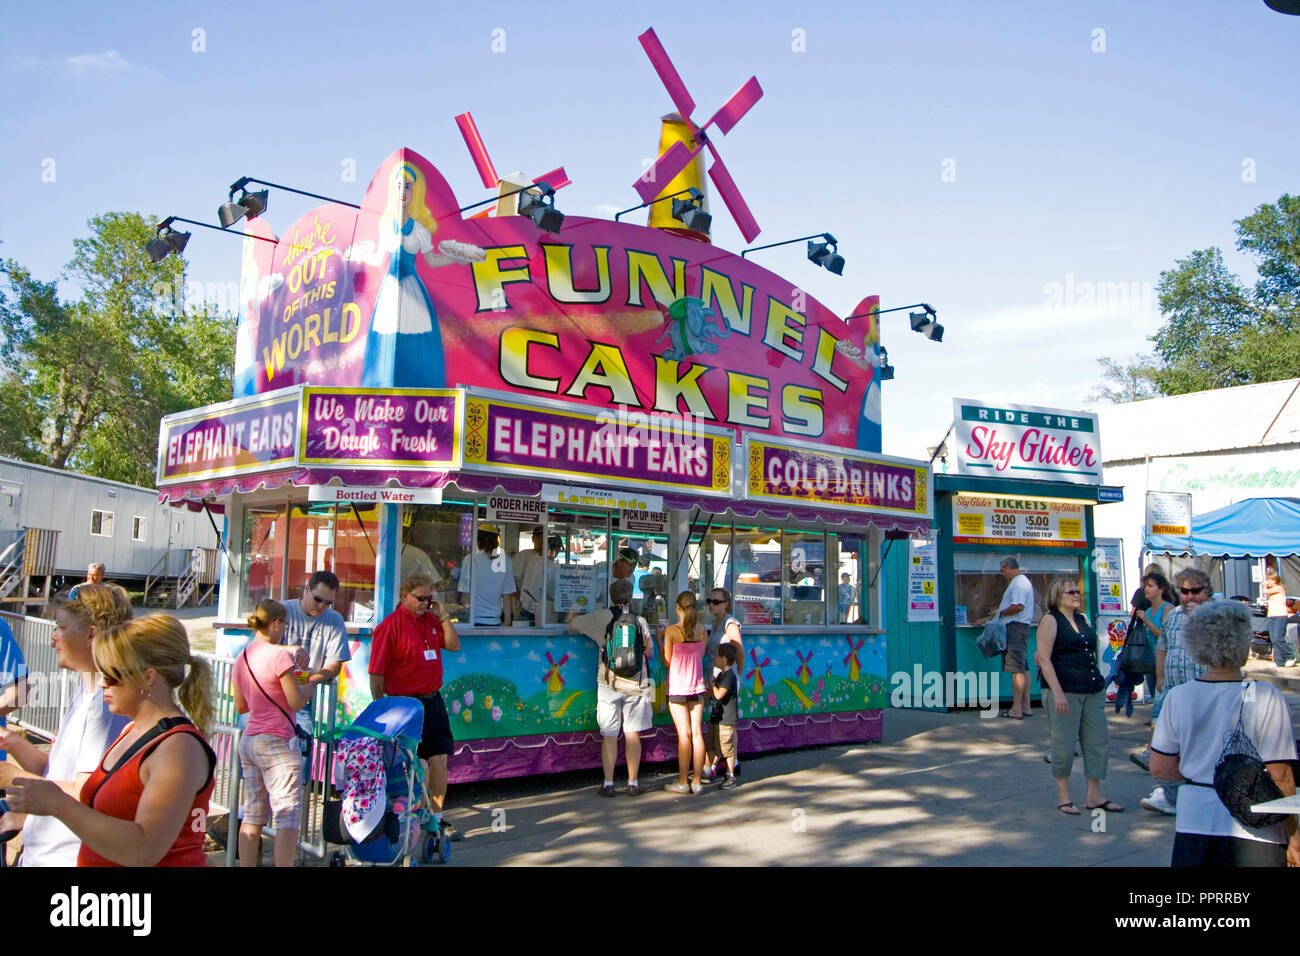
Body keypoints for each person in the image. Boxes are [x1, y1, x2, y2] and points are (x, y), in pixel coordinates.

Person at [4, 614, 217, 867]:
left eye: (112, 675)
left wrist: (57, 803)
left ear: (148, 677)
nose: (103, 683)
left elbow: (143, 849)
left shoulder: (178, 748)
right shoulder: (131, 731)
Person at [1150, 600, 1300, 867]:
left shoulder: (1180, 696)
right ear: (1242, 642)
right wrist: (1294, 833)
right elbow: (1281, 775)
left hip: (1194, 820)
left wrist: (1204, 773)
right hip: (1256, 824)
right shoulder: (1265, 696)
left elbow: (1160, 767)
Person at [0, 584, 133, 866]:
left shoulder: (105, 705)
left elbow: (86, 792)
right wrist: (12, 742)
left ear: (91, 634)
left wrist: (11, 777)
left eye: (60, 627)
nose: (52, 638)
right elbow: (57, 774)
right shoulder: (83, 694)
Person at [359, 161, 484, 389]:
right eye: (399, 186)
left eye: (407, 186)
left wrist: (458, 256)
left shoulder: (419, 230)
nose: (403, 191)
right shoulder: (385, 227)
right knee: (386, 340)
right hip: (390, 291)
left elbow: (433, 260)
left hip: (411, 289)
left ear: (413, 191)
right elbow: (376, 259)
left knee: (416, 338)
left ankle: (418, 385)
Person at [369, 573, 462, 840]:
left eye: (428, 598)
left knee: (440, 759)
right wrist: (380, 708)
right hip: (405, 704)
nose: (424, 603)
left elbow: (454, 645)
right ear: (404, 596)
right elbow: (376, 672)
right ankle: (411, 816)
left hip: (433, 700)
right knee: (414, 763)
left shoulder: (432, 621)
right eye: (420, 598)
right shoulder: (390, 626)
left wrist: (443, 616)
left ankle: (437, 817)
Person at [231, 600, 309, 867]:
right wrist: (309, 681)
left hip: (250, 740)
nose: (285, 629)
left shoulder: (242, 657)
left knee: (253, 813)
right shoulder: (279, 656)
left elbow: (240, 705)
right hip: (277, 741)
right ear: (276, 624)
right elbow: (296, 701)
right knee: (287, 814)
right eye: (284, 624)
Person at [1034, 577, 1122, 815]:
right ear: (1056, 596)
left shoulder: (1082, 619)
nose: (1076, 595)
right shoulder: (1051, 620)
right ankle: (1063, 796)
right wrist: (1058, 693)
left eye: (1077, 591)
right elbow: (1043, 658)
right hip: (1064, 689)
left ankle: (1094, 795)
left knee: (1097, 742)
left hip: (1090, 687)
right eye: (1070, 592)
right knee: (1063, 744)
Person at [1137, 567, 1215, 814]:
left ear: (1207, 591)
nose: (1190, 596)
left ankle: (1200, 794)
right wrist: (1160, 676)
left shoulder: (1216, 615)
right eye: (1184, 591)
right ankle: (1170, 794)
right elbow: (1163, 646)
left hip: (1205, 690)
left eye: (1196, 591)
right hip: (1174, 690)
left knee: (1202, 745)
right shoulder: (1174, 616)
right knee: (1172, 745)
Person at [567, 578, 653, 796]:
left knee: (610, 734)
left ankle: (608, 784)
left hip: (609, 682)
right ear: (630, 598)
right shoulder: (640, 621)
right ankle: (633, 783)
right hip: (636, 683)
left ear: (610, 597)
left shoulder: (599, 617)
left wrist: (573, 607)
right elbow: (648, 652)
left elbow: (570, 624)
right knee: (632, 734)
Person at [282, 570, 351, 712]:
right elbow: (261, 648)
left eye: (328, 603)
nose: (321, 606)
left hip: (304, 698)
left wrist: (311, 682)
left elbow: (334, 665)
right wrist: (291, 649)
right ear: (307, 589)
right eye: (318, 599)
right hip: (274, 691)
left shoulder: (335, 620)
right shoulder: (282, 610)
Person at [662, 590, 707, 794]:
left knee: (684, 735)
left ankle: (682, 781)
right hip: (697, 687)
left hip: (678, 687)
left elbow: (668, 661)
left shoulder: (672, 631)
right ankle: (697, 781)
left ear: (677, 608)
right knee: (697, 734)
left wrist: (658, 638)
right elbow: (701, 655)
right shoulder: (702, 631)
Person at [703, 587, 744, 781]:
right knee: (719, 721)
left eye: (716, 601)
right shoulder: (715, 622)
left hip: (726, 679)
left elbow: (739, 651)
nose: (712, 604)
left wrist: (737, 675)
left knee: (727, 723)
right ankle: (728, 762)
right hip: (716, 679)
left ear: (726, 603)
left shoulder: (730, 623)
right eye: (709, 601)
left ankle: (729, 763)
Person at [996, 556, 1035, 719]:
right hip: (1020, 628)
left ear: (1006, 567)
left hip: (1015, 627)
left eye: (1002, 570)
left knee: (1016, 669)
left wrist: (1000, 612)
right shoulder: (1023, 581)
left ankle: (1016, 709)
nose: (1002, 574)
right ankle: (1026, 706)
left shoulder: (1018, 582)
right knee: (1024, 667)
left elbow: (1018, 606)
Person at [459, 525, 515, 627]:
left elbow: (465, 597)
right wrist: (507, 622)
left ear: (478, 541)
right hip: (495, 621)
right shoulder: (505, 560)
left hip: (473, 620)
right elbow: (507, 595)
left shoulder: (470, 559)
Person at [710, 644, 740, 790]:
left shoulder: (729, 676)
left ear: (723, 659)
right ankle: (710, 769)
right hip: (719, 717)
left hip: (726, 718)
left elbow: (718, 694)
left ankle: (730, 775)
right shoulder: (722, 675)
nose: (714, 659)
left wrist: (712, 685)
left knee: (727, 748)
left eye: (716, 656)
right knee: (718, 746)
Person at [521, 533, 563, 626]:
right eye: (559, 549)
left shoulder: (533, 559)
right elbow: (553, 593)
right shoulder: (550, 566)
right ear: (555, 549)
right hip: (538, 613)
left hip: (525, 609)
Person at [1261, 571, 1296, 668]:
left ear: (1274, 580)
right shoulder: (1272, 590)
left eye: (1269, 580)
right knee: (1273, 639)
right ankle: (1279, 661)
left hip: (1280, 616)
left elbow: (1265, 591)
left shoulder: (1279, 587)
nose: (1267, 582)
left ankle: (1290, 656)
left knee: (1278, 638)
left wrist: (1264, 585)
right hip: (1272, 616)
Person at [513, 527, 545, 623]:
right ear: (533, 539)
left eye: (543, 537)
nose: (541, 539)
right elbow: (511, 582)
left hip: (542, 609)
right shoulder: (524, 555)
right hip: (523, 608)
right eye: (538, 536)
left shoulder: (548, 559)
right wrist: (523, 601)